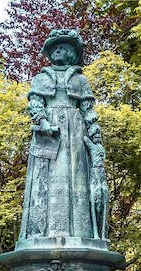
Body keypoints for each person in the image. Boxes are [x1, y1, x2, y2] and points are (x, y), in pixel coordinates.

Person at [20, 28, 103, 239]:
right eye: (54, 48)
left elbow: (89, 112)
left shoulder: (80, 80)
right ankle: (41, 234)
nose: (57, 50)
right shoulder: (41, 78)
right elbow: (35, 103)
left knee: (78, 179)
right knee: (44, 180)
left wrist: (96, 140)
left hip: (75, 135)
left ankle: (80, 233)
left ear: (72, 53)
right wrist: (43, 121)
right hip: (49, 134)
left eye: (62, 47)